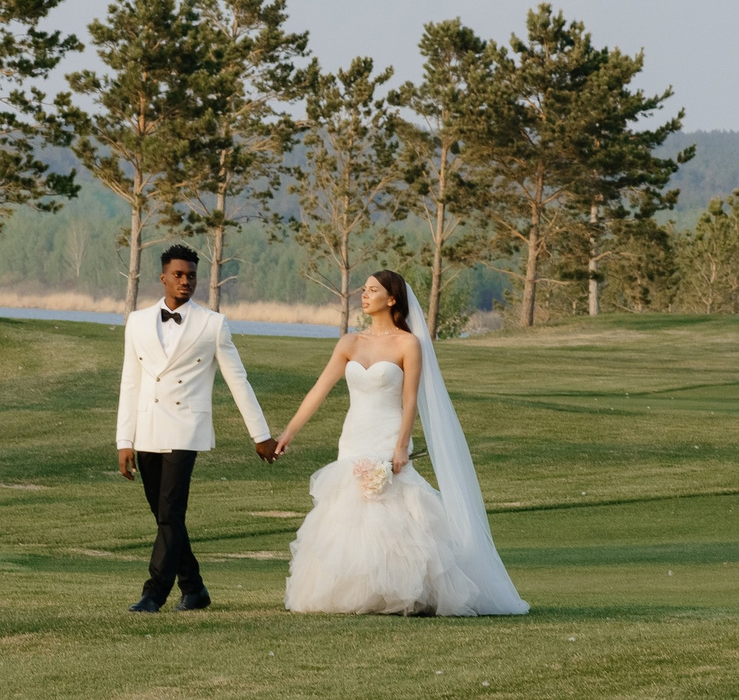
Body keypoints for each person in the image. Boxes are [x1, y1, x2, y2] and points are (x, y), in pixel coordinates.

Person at [274, 269, 528, 616]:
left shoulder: (408, 344)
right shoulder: (349, 342)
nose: (364, 295)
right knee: (348, 511)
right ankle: (356, 591)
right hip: (353, 436)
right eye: (364, 289)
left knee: (395, 507)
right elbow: (319, 390)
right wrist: (288, 433)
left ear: (392, 299)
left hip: (388, 432)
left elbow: (410, 400)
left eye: (373, 290)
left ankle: (407, 591)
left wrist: (401, 445)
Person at [116, 245, 277, 612]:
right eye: (178, 275)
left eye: (191, 275)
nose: (185, 281)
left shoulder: (212, 324)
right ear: (163, 277)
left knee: (170, 513)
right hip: (147, 429)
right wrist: (124, 439)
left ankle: (154, 593)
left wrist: (261, 435)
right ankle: (194, 588)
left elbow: (238, 380)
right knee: (165, 516)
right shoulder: (137, 321)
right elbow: (130, 381)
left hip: (186, 428)